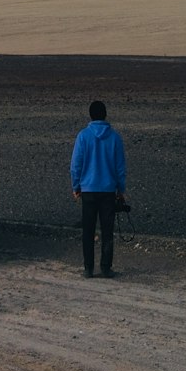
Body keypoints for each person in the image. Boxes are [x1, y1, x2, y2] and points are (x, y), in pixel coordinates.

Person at [70, 99, 126, 278]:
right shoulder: (115, 137)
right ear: (105, 115)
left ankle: (88, 268)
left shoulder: (83, 136)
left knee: (88, 230)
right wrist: (121, 189)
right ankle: (106, 267)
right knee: (107, 231)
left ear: (91, 115)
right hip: (108, 190)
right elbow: (120, 167)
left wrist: (76, 185)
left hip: (88, 190)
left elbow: (76, 165)